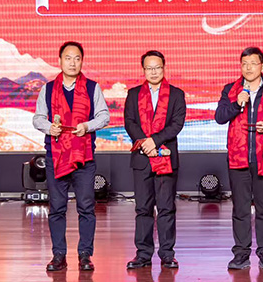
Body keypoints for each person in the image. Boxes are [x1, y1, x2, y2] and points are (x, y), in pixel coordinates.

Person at [32, 41, 110, 272]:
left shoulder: (92, 88)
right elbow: (37, 118)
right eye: (68, 58)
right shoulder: (48, 89)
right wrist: (49, 128)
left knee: (86, 207)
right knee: (57, 207)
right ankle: (59, 255)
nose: (73, 63)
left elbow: (104, 116)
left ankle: (85, 255)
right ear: (60, 61)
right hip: (56, 157)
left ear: (82, 61)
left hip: (83, 157)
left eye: (77, 58)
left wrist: (87, 126)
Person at [214, 46, 263, 270]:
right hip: (238, 159)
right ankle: (241, 254)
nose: (248, 68)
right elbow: (219, 117)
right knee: (241, 209)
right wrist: (237, 103)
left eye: (253, 64)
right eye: (244, 64)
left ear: (262, 66)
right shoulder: (231, 90)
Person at [124, 50, 186, 270]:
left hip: (165, 157)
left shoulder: (176, 94)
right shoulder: (133, 94)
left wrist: (154, 141)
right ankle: (143, 254)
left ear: (164, 68)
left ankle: (167, 254)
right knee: (143, 208)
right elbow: (129, 122)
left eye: (157, 67)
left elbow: (177, 124)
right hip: (142, 159)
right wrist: (145, 143)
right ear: (143, 70)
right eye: (149, 68)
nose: (153, 72)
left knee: (166, 208)